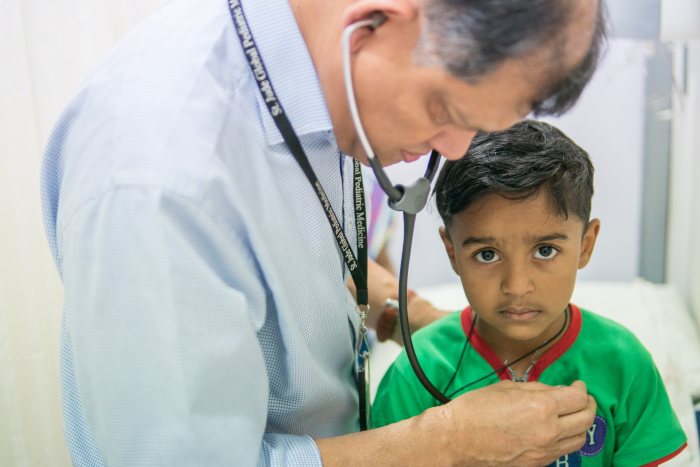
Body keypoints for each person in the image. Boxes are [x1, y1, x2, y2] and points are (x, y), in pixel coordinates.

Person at [40, 0, 605, 464]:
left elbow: (291, 248)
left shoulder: (324, 77)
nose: (455, 149)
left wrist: (400, 314)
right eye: (446, 109)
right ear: (372, 21)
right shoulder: (160, 182)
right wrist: (450, 441)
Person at [372, 120, 688, 466]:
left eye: (545, 251)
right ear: (452, 253)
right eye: (487, 255)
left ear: (586, 245)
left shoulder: (623, 363)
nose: (517, 286)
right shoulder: (415, 374)